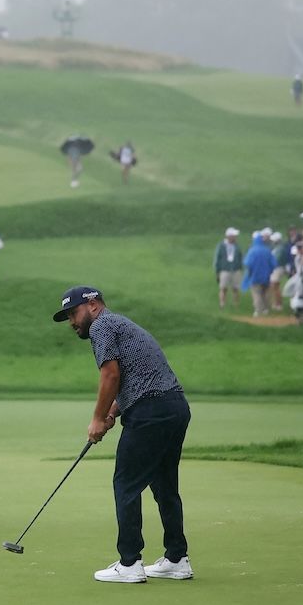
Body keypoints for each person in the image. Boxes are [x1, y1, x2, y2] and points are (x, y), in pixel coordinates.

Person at [53, 285, 192, 584]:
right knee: (164, 485)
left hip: (151, 412)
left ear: (92, 305)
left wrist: (96, 418)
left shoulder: (101, 326)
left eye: (73, 313)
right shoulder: (121, 324)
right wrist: (113, 412)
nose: (72, 322)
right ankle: (177, 558)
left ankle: (129, 562)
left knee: (126, 484)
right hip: (174, 407)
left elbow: (111, 375)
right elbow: (136, 376)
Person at [243, 231, 275, 316]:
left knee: (257, 293)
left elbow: (248, 264)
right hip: (266, 276)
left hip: (255, 276)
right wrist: (270, 271)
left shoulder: (252, 251)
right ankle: (266, 309)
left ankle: (258, 310)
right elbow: (273, 263)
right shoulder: (267, 250)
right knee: (265, 293)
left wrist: (249, 274)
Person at [214, 228, 241, 309]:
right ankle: (222, 304)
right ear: (229, 236)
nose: (235, 237)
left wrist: (239, 267)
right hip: (225, 270)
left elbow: (240, 257)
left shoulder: (237, 246)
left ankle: (236, 304)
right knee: (223, 288)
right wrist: (217, 271)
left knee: (235, 288)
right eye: (234, 236)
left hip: (235, 270)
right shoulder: (221, 246)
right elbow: (217, 259)